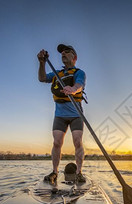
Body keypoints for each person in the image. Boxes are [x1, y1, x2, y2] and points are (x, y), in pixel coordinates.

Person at [37, 44, 86, 183]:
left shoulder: (79, 72)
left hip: (76, 114)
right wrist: (42, 63)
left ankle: (79, 172)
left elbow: (79, 85)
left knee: (77, 141)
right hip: (60, 115)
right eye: (62, 52)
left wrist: (73, 89)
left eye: (67, 52)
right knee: (57, 142)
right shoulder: (56, 74)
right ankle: (54, 172)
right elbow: (42, 78)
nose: (63, 53)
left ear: (74, 57)